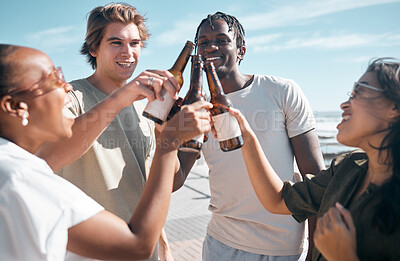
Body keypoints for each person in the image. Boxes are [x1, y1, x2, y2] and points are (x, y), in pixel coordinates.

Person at [0, 43, 212, 260]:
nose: (66, 87)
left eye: (135, 43)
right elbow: (136, 246)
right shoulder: (18, 179)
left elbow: (147, 183)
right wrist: (171, 141)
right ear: (14, 106)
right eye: (53, 79)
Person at [35, 4, 197, 260]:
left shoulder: (145, 110)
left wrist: (166, 133)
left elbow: (167, 185)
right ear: (93, 48)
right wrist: (123, 96)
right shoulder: (69, 96)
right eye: (116, 42)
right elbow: (48, 158)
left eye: (135, 43)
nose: (128, 52)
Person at [229, 57, 400, 260]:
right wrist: (247, 138)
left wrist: (343, 256)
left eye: (359, 92)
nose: (344, 104)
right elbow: (276, 200)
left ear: (394, 109)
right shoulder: (348, 167)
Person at [190, 12, 325, 261]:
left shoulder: (282, 91)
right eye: (204, 42)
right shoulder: (197, 106)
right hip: (220, 242)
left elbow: (314, 175)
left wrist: (317, 252)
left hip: (281, 246)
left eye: (222, 39)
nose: (211, 47)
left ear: (241, 50)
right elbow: (176, 176)